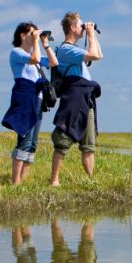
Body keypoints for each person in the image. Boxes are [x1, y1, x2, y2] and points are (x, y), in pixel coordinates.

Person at [2, 22, 59, 185]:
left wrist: (45, 43)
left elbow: (54, 63)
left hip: (38, 99)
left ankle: (24, 179)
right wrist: (36, 40)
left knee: (33, 142)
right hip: (25, 97)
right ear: (22, 35)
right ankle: (16, 182)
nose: (35, 35)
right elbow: (34, 59)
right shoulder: (16, 52)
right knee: (25, 139)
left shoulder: (35, 53)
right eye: (31, 33)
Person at [50, 12, 103, 186]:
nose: (83, 28)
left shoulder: (76, 50)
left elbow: (98, 55)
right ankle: (54, 180)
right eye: (80, 26)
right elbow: (94, 55)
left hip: (85, 97)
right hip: (73, 96)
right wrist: (90, 34)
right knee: (63, 139)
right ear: (72, 28)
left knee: (89, 144)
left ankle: (90, 181)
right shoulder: (66, 49)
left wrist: (92, 34)